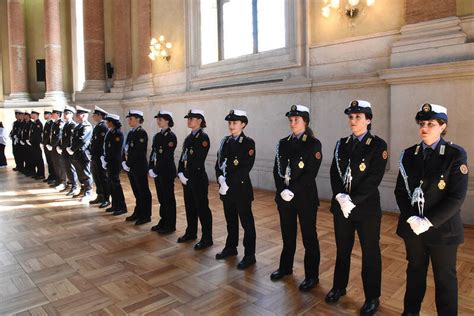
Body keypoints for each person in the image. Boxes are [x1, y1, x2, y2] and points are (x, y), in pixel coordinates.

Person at [395, 103, 469, 316]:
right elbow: (401, 192)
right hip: (413, 229)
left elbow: (456, 197)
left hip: (443, 230)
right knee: (415, 273)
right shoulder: (409, 154)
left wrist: (427, 221)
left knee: (445, 280)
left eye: (431, 123)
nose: (424, 128)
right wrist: (411, 218)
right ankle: (410, 313)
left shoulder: (455, 154)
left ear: (442, 126)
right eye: (422, 123)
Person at [326, 100, 387, 315]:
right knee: (342, 249)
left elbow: (374, 179)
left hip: (366, 209)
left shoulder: (378, 145)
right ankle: (339, 287)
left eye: (358, 117)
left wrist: (352, 200)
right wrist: (339, 197)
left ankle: (372, 297)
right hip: (342, 207)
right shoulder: (341, 143)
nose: (353, 121)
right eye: (351, 117)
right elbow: (334, 172)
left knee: (370, 253)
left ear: (368, 120)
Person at [271, 104, 322, 292]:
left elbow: (310, 173)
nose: (292, 123)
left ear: (305, 122)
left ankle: (312, 276)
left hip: (305, 198)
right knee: (287, 234)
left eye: (296, 120)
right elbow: (276, 169)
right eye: (290, 120)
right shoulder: (282, 143)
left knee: (309, 237)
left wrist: (292, 189)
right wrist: (281, 190)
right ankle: (285, 267)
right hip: (285, 198)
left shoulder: (313, 143)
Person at [215, 109, 257, 270]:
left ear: (243, 124)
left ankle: (249, 255)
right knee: (230, 221)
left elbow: (245, 168)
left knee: (247, 223)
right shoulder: (224, 141)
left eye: (235, 123)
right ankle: (231, 247)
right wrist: (220, 178)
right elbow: (218, 163)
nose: (231, 125)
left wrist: (228, 183)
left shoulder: (248, 143)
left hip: (240, 190)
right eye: (230, 123)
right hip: (226, 189)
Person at [177, 109, 213, 250]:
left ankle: (207, 237)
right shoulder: (189, 138)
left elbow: (198, 161)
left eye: (191, 118)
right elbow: (183, 156)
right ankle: (191, 232)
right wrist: (180, 171)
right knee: (190, 207)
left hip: (197, 178)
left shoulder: (203, 138)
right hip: (187, 178)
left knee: (202, 208)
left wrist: (186, 175)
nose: (189, 121)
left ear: (199, 120)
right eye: (188, 118)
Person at [149, 110, 178, 235]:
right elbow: (153, 153)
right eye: (157, 119)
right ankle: (163, 220)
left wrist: (155, 169)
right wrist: (150, 167)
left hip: (166, 172)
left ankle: (170, 224)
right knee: (161, 197)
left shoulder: (171, 137)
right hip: (158, 172)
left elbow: (166, 156)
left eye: (160, 119)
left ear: (167, 120)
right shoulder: (157, 136)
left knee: (168, 198)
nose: (158, 121)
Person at [122, 110, 152, 225]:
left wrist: (128, 164)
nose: (129, 120)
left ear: (138, 119)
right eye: (129, 118)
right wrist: (124, 162)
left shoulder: (141, 133)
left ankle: (146, 215)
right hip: (131, 167)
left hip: (139, 166)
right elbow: (126, 149)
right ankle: (138, 212)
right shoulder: (131, 133)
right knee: (136, 191)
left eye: (131, 118)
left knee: (143, 191)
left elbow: (138, 152)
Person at [102, 113, 127, 216]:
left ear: (112, 122)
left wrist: (107, 159)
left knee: (116, 185)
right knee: (111, 184)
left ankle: (121, 206)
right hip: (109, 162)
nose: (107, 123)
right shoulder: (110, 132)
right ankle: (115, 205)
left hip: (115, 162)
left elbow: (116, 151)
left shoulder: (118, 133)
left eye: (108, 121)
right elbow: (107, 148)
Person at [69, 106, 93, 202]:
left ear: (83, 115)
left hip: (83, 154)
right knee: (80, 173)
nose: (76, 116)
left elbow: (82, 140)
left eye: (78, 115)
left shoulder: (86, 126)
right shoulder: (78, 126)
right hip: (76, 153)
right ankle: (83, 189)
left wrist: (72, 148)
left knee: (86, 174)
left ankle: (88, 192)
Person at [89, 106, 110, 208]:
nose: (93, 116)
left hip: (99, 156)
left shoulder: (103, 127)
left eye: (95, 115)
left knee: (102, 177)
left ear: (100, 116)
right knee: (96, 176)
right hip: (94, 156)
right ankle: (100, 195)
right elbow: (93, 141)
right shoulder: (97, 126)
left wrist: (94, 153)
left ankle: (106, 198)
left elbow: (101, 144)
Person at [61, 106, 79, 194]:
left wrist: (69, 148)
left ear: (71, 114)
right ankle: (71, 184)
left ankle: (75, 186)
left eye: (67, 113)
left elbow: (71, 139)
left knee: (71, 168)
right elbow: (63, 138)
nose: (65, 115)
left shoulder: (73, 125)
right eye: (64, 113)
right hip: (64, 150)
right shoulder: (66, 124)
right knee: (67, 168)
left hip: (69, 150)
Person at [49, 107, 67, 190]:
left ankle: (63, 182)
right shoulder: (54, 123)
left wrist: (56, 146)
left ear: (58, 114)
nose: (52, 114)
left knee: (60, 165)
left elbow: (59, 136)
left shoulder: (61, 123)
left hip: (58, 147)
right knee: (55, 164)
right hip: (54, 147)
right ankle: (58, 180)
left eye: (53, 113)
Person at [29, 110, 45, 179]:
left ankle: (41, 174)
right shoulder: (33, 123)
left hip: (36, 143)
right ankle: (38, 173)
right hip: (33, 143)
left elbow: (37, 134)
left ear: (36, 115)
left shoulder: (38, 123)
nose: (31, 115)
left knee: (39, 159)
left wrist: (31, 140)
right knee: (35, 158)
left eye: (32, 114)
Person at [42, 109, 56, 184]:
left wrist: (49, 144)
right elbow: (44, 135)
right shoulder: (46, 123)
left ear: (50, 115)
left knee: (52, 162)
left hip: (50, 146)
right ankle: (51, 175)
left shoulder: (52, 123)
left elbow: (50, 136)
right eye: (44, 114)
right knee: (48, 161)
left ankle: (54, 176)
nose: (44, 115)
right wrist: (43, 143)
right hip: (46, 145)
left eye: (46, 114)